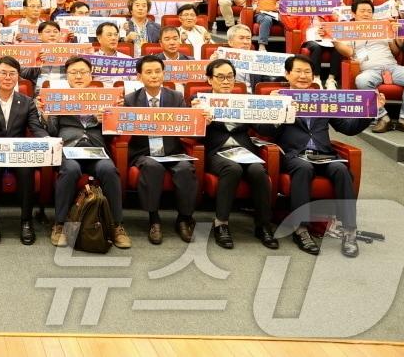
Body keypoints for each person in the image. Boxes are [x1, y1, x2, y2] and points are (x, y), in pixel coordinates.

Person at [259, 55, 373, 257]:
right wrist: (278, 109)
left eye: (307, 72)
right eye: (298, 71)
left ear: (313, 75)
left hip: (324, 154)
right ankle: (301, 230)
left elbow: (347, 128)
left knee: (341, 169)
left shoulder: (323, 99)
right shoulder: (278, 97)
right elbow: (267, 131)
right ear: (287, 74)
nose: (303, 76)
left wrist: (372, 110)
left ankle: (349, 230)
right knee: (304, 168)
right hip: (294, 155)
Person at [193, 59, 278, 250]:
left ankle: (263, 225)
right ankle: (221, 224)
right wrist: (200, 120)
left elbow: (264, 129)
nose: (226, 81)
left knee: (257, 170)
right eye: (220, 77)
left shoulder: (245, 101)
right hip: (217, 152)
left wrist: (276, 110)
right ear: (209, 79)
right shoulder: (199, 101)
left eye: (230, 77)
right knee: (232, 169)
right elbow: (191, 134)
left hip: (244, 150)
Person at [47, 57, 131, 249]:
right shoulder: (58, 97)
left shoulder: (105, 97)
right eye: (73, 72)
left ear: (91, 75)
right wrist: (48, 114)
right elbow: (52, 131)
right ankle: (59, 225)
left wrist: (107, 119)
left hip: (96, 148)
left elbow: (115, 133)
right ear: (66, 76)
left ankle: (116, 226)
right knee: (70, 170)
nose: (78, 76)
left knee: (109, 169)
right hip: (69, 149)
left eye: (83, 72)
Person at [123, 56, 197, 245]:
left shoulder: (176, 97)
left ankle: (184, 218)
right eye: (148, 72)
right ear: (139, 76)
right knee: (152, 166)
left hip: (172, 150)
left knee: (184, 169)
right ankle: (154, 219)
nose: (154, 76)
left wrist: (198, 115)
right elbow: (123, 127)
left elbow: (188, 127)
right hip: (144, 152)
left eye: (158, 71)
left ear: (164, 73)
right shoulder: (131, 99)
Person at [0, 56, 47, 245]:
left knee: (26, 170)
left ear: (18, 77)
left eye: (12, 74)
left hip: (17, 151)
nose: (8, 77)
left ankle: (26, 221)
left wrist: (47, 140)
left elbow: (35, 128)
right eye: (3, 73)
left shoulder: (26, 101)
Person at [333, 0, 404, 135]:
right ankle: (382, 117)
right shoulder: (348, 31)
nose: (366, 14)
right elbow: (349, 53)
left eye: (369, 11)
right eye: (362, 11)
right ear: (353, 13)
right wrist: (334, 39)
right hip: (369, 69)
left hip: (391, 66)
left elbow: (395, 51)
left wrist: (396, 36)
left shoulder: (381, 27)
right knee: (362, 81)